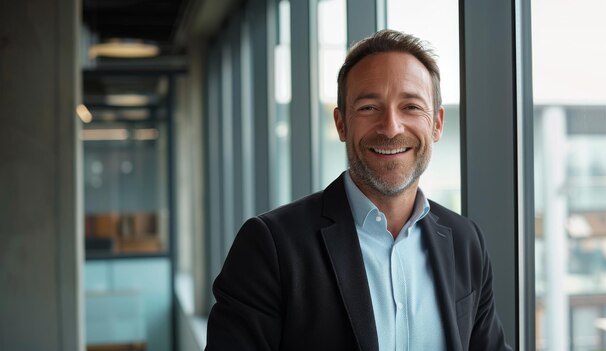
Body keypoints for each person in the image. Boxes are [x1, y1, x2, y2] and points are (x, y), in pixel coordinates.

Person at [206, 29, 512, 351]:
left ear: (436, 124)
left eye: (410, 106)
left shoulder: (465, 241)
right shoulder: (271, 246)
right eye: (369, 107)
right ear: (341, 124)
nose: (391, 127)